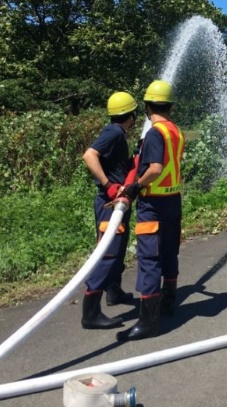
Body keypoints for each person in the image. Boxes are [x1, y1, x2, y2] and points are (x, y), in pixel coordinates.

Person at [117, 80, 185, 341]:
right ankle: (168, 302)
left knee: (149, 259)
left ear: (147, 108)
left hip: (153, 205)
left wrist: (135, 186)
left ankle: (148, 322)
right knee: (169, 251)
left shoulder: (156, 133)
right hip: (173, 200)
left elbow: (155, 168)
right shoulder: (175, 131)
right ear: (170, 106)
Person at [80, 91, 138, 330]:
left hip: (117, 203)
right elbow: (89, 155)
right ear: (131, 115)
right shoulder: (113, 132)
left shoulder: (117, 132)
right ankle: (90, 313)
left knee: (118, 247)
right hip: (109, 203)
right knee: (109, 253)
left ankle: (114, 291)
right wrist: (109, 185)